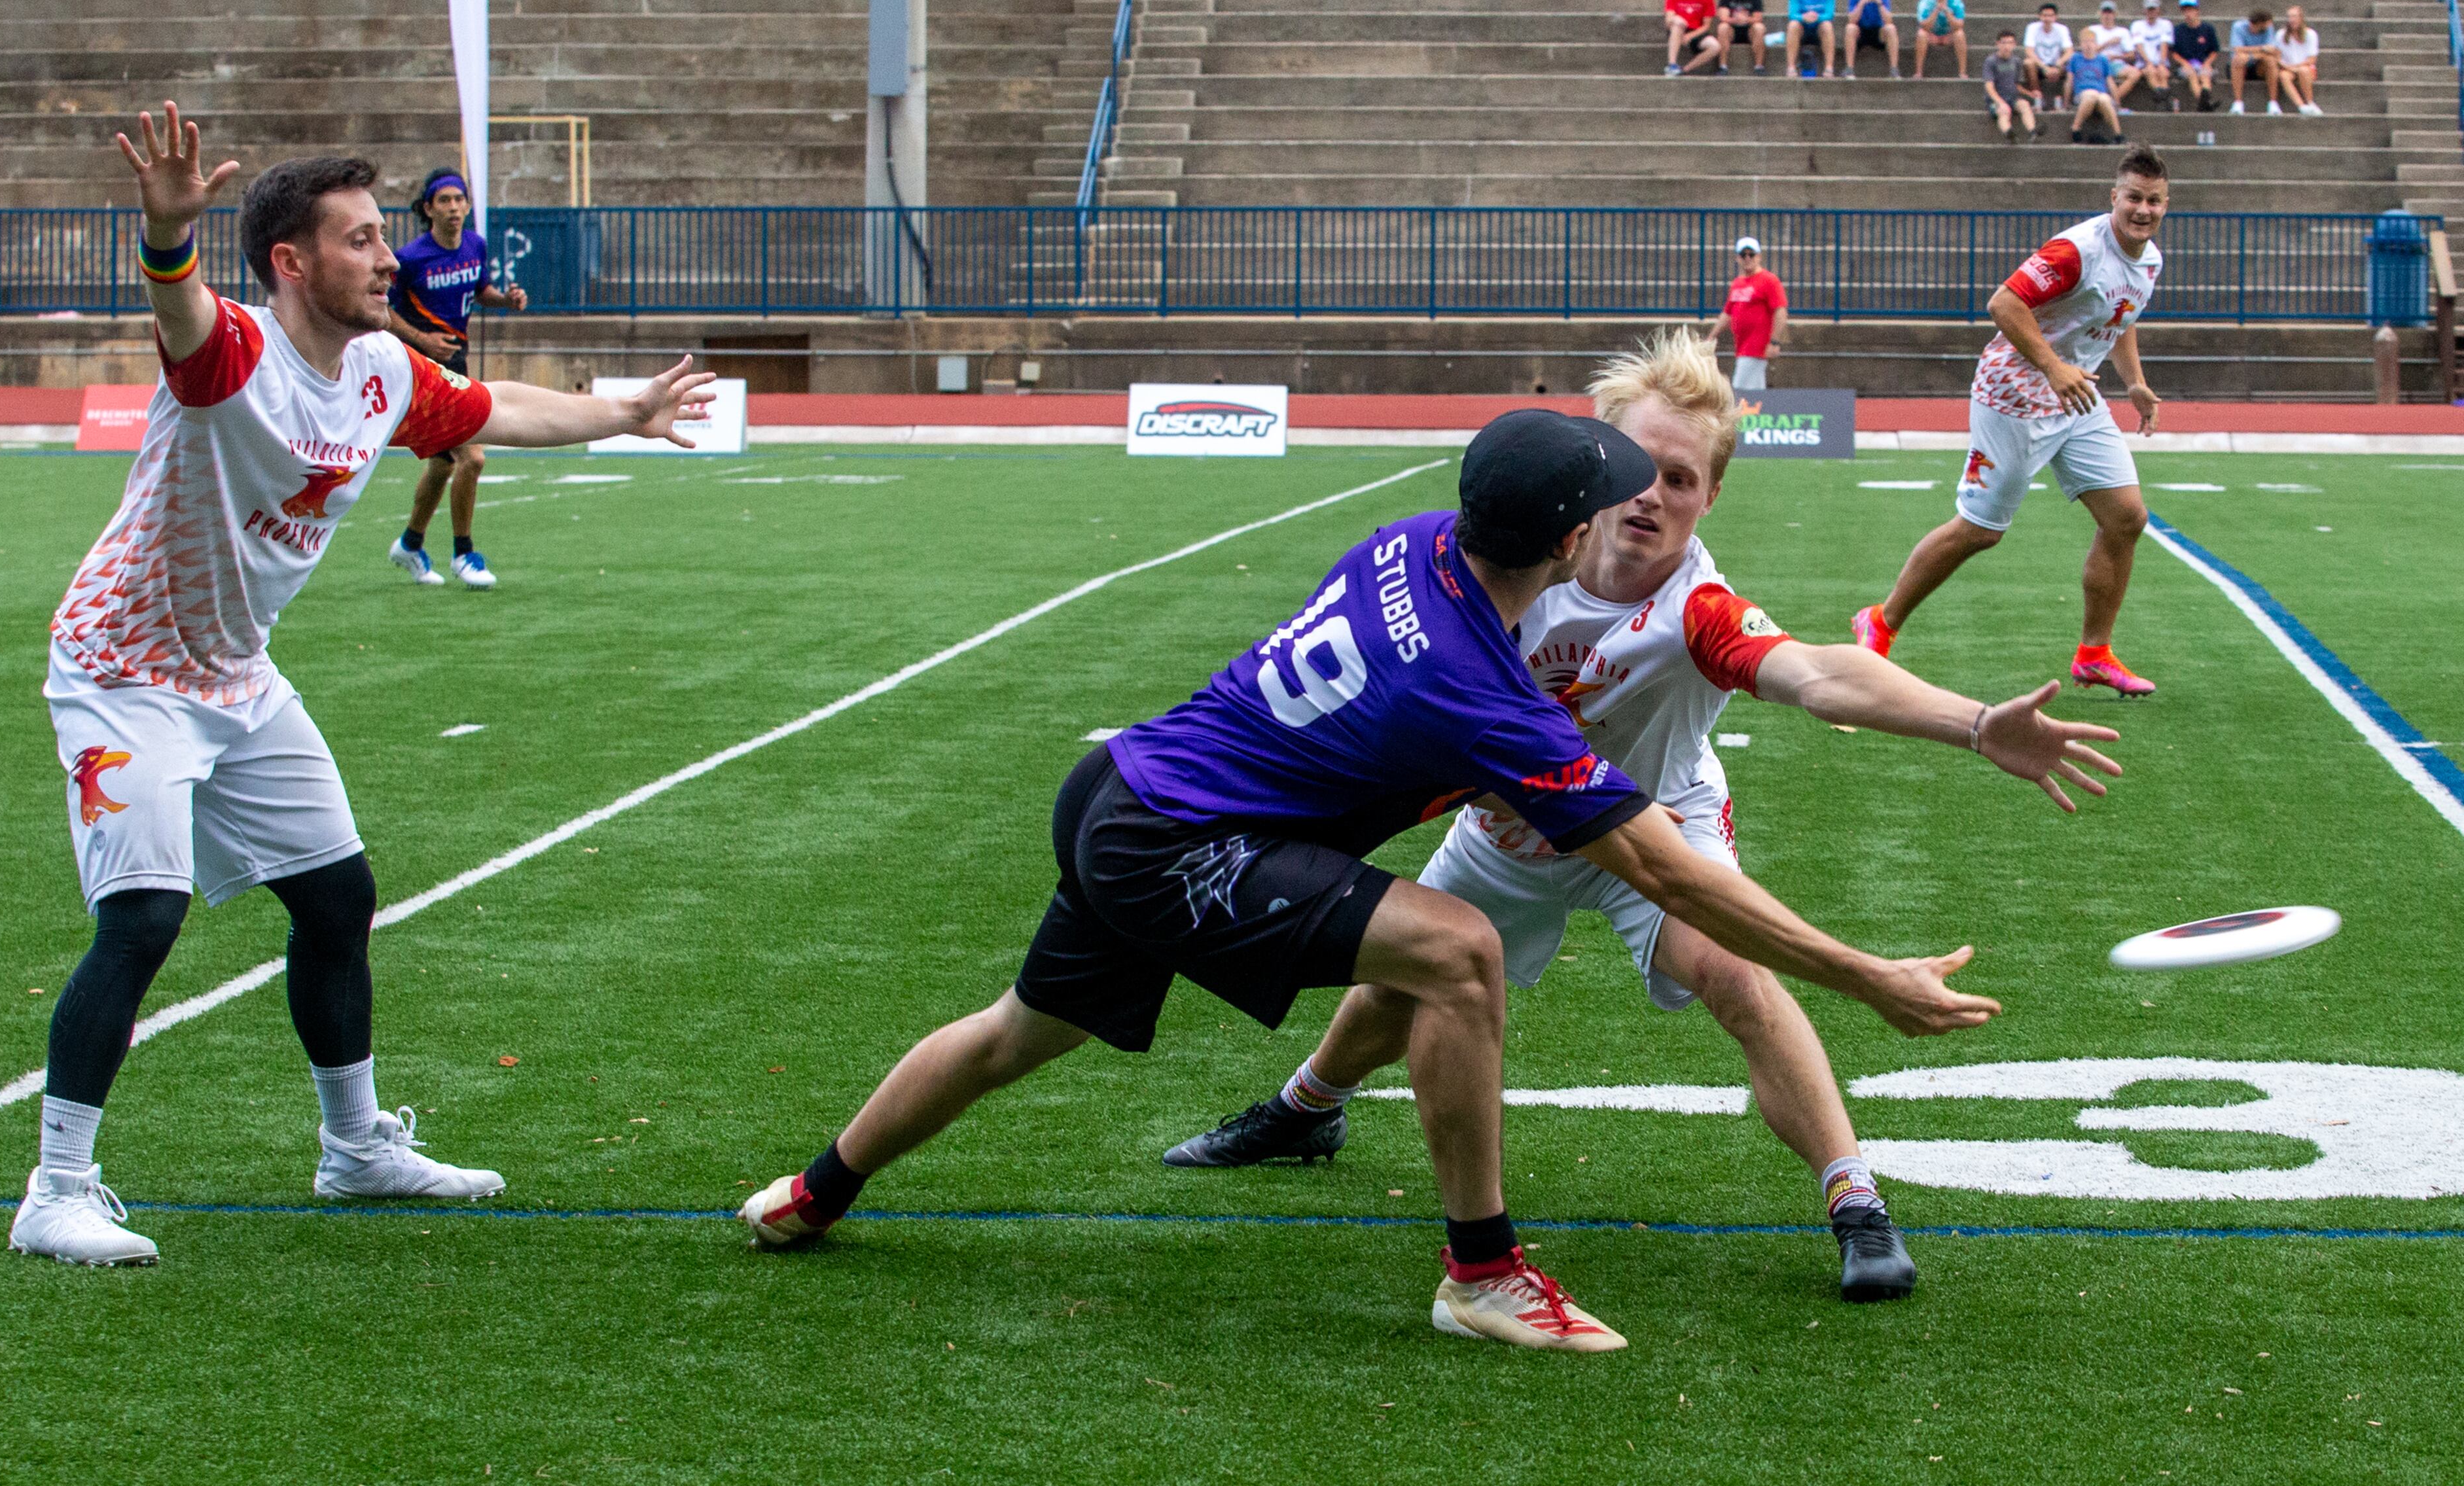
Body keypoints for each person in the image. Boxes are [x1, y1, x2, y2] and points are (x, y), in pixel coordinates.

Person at [740, 410, 2003, 1348]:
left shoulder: (1411, 541)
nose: (1637, 510)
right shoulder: (1482, 684)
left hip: (1118, 795)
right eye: (1609, 496)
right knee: (1455, 949)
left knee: (1020, 1032)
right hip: (1182, 843)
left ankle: (814, 1191)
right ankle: (1484, 1273)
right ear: (1565, 538)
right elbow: (1663, 868)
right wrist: (1861, 973)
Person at [1161, 334, 2107, 1307]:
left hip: (1653, 824)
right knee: (1407, 980)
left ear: (1709, 498)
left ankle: (1855, 1199)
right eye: (1640, 470)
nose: (1654, 495)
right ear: (1592, 475)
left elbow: (1820, 674)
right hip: (1513, 830)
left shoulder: (1696, 608)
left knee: (1738, 973)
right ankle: (1306, 1108)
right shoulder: (1505, 565)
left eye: (1683, 479)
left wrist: (1976, 723)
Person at [12, 107, 715, 1269]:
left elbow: (498, 410)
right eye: (357, 240)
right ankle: (57, 1187)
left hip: (236, 678)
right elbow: (178, 308)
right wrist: (166, 234)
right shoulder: (233, 352)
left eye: (383, 236)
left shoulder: (386, 368)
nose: (388, 256)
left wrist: (623, 413)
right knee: (143, 915)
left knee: (338, 902)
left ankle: (356, 1148)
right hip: (122, 673)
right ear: (291, 263)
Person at [1855, 147, 2169, 695]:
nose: (2143, 209)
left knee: (2126, 517)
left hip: (2076, 394)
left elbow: (2121, 318)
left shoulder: (2149, 259)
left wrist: (2134, 381)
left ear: (2166, 204)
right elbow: (2003, 303)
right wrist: (2053, 368)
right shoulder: (2076, 251)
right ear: (2113, 197)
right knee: (1979, 531)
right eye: (2134, 198)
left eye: (2154, 200)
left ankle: (2094, 654)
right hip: (2015, 394)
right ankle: (1880, 622)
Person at [384, 170, 527, 589]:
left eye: (459, 200)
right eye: (444, 200)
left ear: (467, 206)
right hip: (419, 368)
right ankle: (465, 554)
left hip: (456, 364)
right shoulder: (410, 259)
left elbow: (481, 290)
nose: (453, 208)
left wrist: (506, 300)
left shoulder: (475, 246)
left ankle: (410, 544)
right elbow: (383, 312)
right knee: (473, 458)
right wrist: (423, 339)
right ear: (428, 208)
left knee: (445, 462)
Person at [1709, 244, 1786, 387]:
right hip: (1742, 347)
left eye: (1752, 254)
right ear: (1738, 258)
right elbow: (1728, 314)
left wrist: (1775, 341)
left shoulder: (1769, 280)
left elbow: (1780, 311)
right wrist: (1711, 337)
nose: (1748, 258)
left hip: (1756, 348)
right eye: (1744, 255)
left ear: (1759, 257)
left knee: (1741, 390)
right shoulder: (1738, 283)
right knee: (1753, 391)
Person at [1664, 0, 1723, 75]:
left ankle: (1684, 70)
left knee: (1715, 47)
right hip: (1678, 28)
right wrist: (1677, 21)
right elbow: (1669, 19)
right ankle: (1672, 64)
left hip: (1696, 31)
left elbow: (1706, 26)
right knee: (1678, 23)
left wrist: (1691, 35)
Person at [1786, 0, 1838, 77]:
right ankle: (1791, 67)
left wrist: (1816, 17)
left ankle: (1829, 68)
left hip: (1818, 28)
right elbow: (1793, 14)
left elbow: (1829, 14)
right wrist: (1804, 17)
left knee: (1827, 25)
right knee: (1793, 25)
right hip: (1803, 28)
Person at [2229, 6, 2283, 116]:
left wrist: (2250, 55)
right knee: (2238, 60)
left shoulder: (2269, 28)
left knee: (2271, 61)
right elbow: (2237, 49)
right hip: (2241, 64)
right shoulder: (2238, 27)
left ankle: (2273, 103)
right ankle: (2238, 103)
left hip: (2259, 65)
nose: (2269, 25)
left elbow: (2272, 50)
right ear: (2260, 23)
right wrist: (2262, 49)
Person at [1846, 0, 1901, 79]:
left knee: (1891, 28)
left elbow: (1889, 20)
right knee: (1850, 28)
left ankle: (1894, 69)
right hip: (1861, 31)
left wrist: (1879, 2)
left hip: (1878, 31)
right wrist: (1862, 2)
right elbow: (1851, 20)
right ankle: (1849, 69)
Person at [1984, 30, 2039, 138]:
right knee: (2004, 112)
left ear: (2014, 45)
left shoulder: (2016, 61)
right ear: (1998, 44)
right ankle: (2009, 133)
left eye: (2010, 43)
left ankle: (2033, 131)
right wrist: (2000, 102)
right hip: (1996, 101)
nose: (2007, 46)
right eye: (2004, 43)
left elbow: (2016, 84)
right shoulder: (1991, 62)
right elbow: (1989, 86)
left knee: (2025, 105)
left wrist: (2030, 94)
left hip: (2013, 98)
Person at [2067, 31, 2122, 139]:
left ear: (2096, 44)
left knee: (2104, 99)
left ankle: (2118, 134)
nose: (2088, 45)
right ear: (2081, 44)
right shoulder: (2075, 59)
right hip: (2083, 95)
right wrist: (2066, 102)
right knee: (2091, 95)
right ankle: (2076, 128)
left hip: (2100, 93)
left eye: (2091, 42)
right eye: (2085, 42)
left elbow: (2110, 82)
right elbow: (2069, 82)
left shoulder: (2103, 60)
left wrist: (2118, 102)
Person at [2169, 0, 2220, 108]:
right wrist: (2185, 64)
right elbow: (2174, 53)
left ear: (2197, 10)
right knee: (2191, 75)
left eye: (2191, 10)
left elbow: (2214, 50)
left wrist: (2207, 63)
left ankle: (2205, 100)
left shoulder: (2208, 29)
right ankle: (2204, 102)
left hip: (2203, 63)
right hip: (2186, 65)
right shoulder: (2178, 30)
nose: (2188, 14)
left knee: (2205, 75)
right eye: (2185, 11)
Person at [2126, 0, 2177, 109]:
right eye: (2149, 9)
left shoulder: (2166, 24)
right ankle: (2166, 99)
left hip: (2160, 62)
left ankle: (2161, 101)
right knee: (2150, 71)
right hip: (2143, 63)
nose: (2151, 12)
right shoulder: (2137, 25)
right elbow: (2139, 46)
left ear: (2158, 10)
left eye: (2154, 9)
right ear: (2144, 10)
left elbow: (2165, 44)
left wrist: (2162, 63)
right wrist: (2148, 62)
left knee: (2162, 72)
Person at [1715, 0, 1769, 73]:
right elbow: (1723, 18)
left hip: (1749, 31)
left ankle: (1759, 67)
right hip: (1732, 31)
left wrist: (1746, 19)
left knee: (1760, 27)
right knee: (1722, 27)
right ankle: (1723, 66)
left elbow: (1758, 18)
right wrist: (1735, 20)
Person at [2274, 5, 2324, 115]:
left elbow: (2312, 59)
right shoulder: (2281, 34)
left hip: (2305, 67)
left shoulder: (2311, 34)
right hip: (2287, 68)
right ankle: (2301, 106)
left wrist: (2296, 67)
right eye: (2290, 17)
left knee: (2303, 71)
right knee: (2283, 76)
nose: (2292, 20)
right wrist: (2288, 67)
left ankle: (2310, 103)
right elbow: (2277, 56)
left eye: (2295, 17)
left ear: (2301, 18)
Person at [2023, 3, 2074, 108]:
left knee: (2073, 62)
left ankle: (2065, 101)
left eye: (2050, 16)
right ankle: (2038, 97)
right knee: (2028, 63)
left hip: (2057, 66)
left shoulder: (2062, 29)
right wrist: (2044, 67)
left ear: (2055, 17)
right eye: (2045, 15)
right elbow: (2029, 51)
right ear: (2040, 16)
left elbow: (2069, 51)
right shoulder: (2032, 28)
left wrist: (2057, 65)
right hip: (2040, 66)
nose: (2047, 19)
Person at [1916, 0, 1969, 79]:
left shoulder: (1956, 2)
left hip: (1949, 35)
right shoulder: (1926, 2)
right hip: (1931, 35)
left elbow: (1959, 25)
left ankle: (1962, 72)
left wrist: (1948, 12)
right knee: (1921, 34)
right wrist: (1936, 11)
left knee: (1960, 34)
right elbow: (1924, 26)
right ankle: (1919, 72)